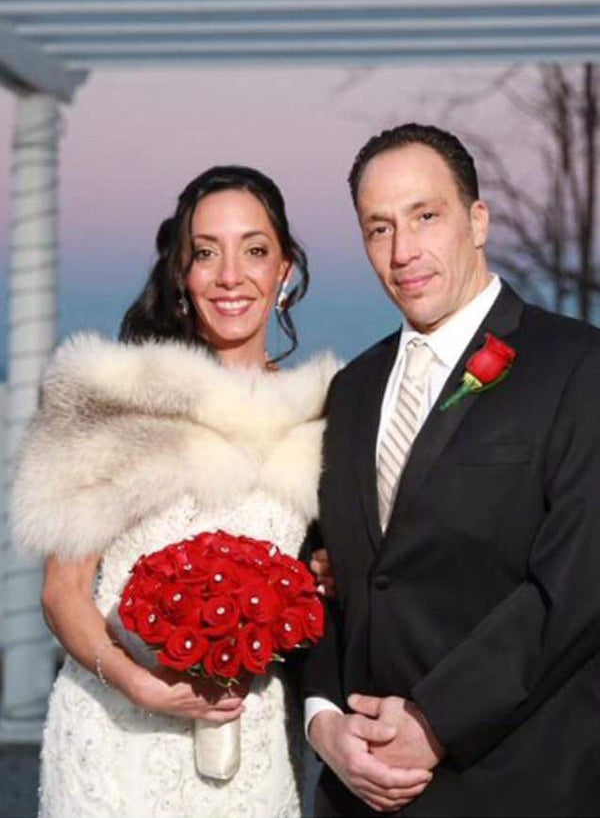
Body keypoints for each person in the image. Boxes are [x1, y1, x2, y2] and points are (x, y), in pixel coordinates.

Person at [11, 165, 355, 818]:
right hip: (116, 738)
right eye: (206, 253)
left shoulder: (325, 413)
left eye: (255, 250)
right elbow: (62, 591)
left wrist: (324, 575)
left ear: (285, 269)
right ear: (181, 272)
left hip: (251, 735)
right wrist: (137, 683)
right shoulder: (118, 397)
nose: (231, 275)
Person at [304, 123, 600, 817]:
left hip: (517, 786)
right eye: (379, 228)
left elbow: (578, 582)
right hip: (359, 794)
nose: (402, 251)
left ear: (477, 221)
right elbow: (327, 576)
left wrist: (435, 720)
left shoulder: (578, 366)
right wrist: (323, 721)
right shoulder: (350, 389)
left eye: (425, 216)